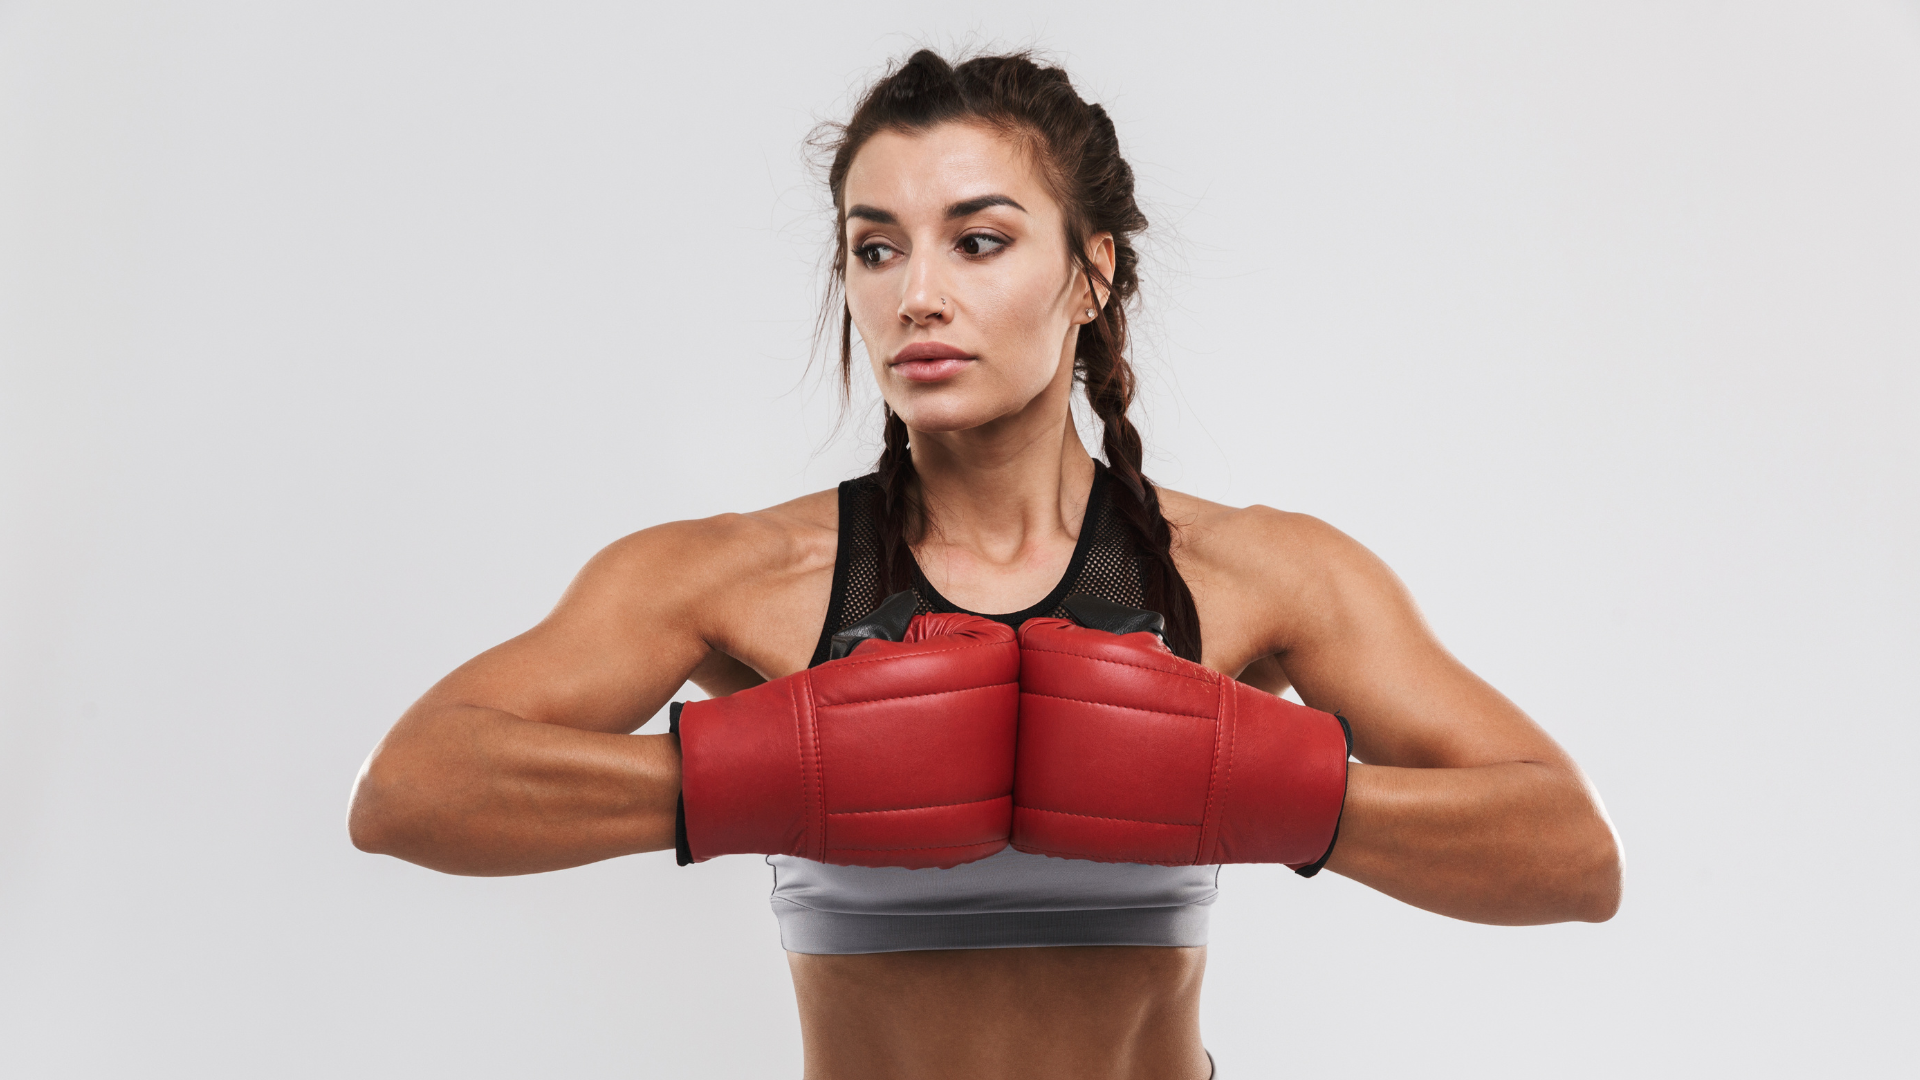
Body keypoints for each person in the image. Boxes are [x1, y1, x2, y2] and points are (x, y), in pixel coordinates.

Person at [347, 49, 1622, 1080]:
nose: (916, 295)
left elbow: (1569, 856)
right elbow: (410, 791)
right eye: (876, 245)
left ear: (1090, 274)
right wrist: (756, 771)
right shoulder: (753, 575)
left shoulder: (1249, 574)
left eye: (980, 239)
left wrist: (1268, 782)